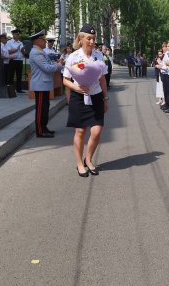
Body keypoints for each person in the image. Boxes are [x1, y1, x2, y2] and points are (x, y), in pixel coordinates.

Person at [62, 24, 109, 178]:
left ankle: (88, 158)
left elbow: (102, 79)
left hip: (95, 96)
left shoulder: (99, 56)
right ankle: (79, 164)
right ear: (81, 39)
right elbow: (65, 80)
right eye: (89, 38)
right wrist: (77, 88)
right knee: (80, 131)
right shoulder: (73, 57)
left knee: (97, 130)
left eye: (93, 39)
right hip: (79, 96)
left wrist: (105, 98)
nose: (91, 41)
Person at [28, 30, 62, 138]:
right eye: (43, 40)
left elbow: (49, 64)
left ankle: (44, 127)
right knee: (41, 109)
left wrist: (56, 63)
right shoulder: (36, 52)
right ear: (38, 41)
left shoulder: (40, 52)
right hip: (40, 85)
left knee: (45, 108)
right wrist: (59, 65)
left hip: (44, 84)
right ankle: (40, 130)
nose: (45, 42)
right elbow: (47, 68)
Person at [7, 28, 26, 93]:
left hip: (19, 60)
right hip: (13, 60)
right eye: (16, 34)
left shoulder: (20, 42)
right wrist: (16, 49)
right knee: (11, 75)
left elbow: (23, 53)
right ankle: (11, 89)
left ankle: (19, 89)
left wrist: (22, 50)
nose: (18, 35)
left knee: (19, 75)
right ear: (13, 35)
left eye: (18, 34)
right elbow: (8, 52)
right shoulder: (9, 42)